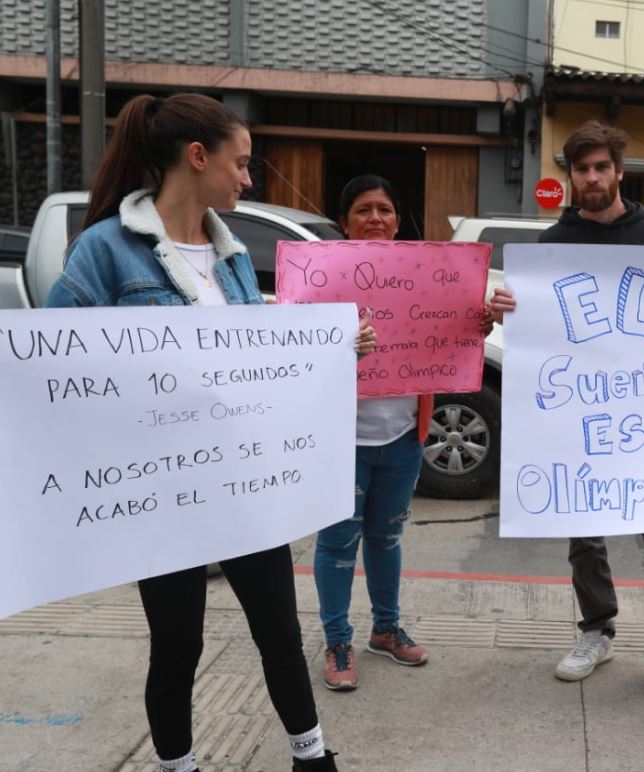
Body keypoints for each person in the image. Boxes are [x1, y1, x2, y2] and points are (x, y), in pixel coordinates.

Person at [44, 94, 344, 771]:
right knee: (177, 647)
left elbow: (251, 365)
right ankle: (178, 766)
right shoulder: (105, 251)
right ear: (197, 157)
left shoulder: (232, 255)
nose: (248, 178)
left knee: (280, 633)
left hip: (243, 486)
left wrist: (330, 350)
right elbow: (52, 364)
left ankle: (312, 756)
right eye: (240, 163)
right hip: (164, 497)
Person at [489, 120, 644, 706]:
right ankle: (596, 629)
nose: (592, 178)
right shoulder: (553, 245)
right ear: (572, 177)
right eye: (582, 169)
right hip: (581, 414)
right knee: (585, 528)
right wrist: (509, 308)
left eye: (602, 167)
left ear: (620, 172)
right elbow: (536, 323)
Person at [312, 175, 494, 692]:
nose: (376, 218)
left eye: (386, 209)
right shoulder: (321, 279)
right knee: (338, 541)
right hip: (341, 439)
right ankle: (337, 640)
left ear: (398, 219)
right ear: (344, 222)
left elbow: (452, 328)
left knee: (387, 536)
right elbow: (296, 346)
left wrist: (475, 325)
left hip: (403, 436)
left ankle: (386, 630)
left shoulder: (426, 275)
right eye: (364, 209)